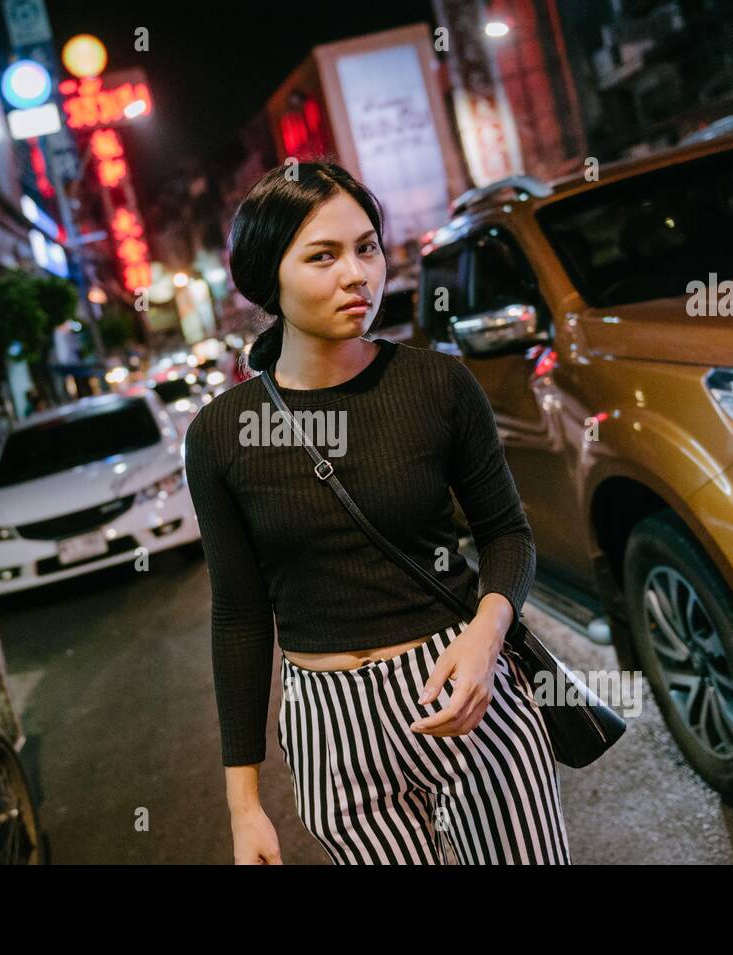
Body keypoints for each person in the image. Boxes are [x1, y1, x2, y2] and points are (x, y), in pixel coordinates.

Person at [184, 160, 570, 865]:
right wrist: (245, 806)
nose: (357, 274)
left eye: (365, 247)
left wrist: (487, 634)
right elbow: (239, 612)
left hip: (462, 689)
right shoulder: (219, 435)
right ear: (271, 276)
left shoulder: (437, 384)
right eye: (322, 256)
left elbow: (505, 533)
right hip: (331, 729)